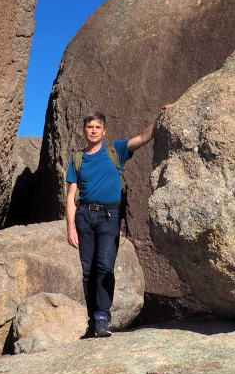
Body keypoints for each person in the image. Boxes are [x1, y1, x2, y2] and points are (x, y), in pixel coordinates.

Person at [66, 106, 169, 338]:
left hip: (109, 217)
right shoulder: (77, 159)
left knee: (104, 266)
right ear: (84, 130)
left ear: (104, 131)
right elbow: (71, 195)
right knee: (88, 271)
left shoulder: (116, 150)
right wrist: (70, 227)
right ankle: (93, 321)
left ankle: (103, 317)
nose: (93, 130)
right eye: (90, 127)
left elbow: (143, 137)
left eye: (97, 127)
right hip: (84, 217)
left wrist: (160, 117)